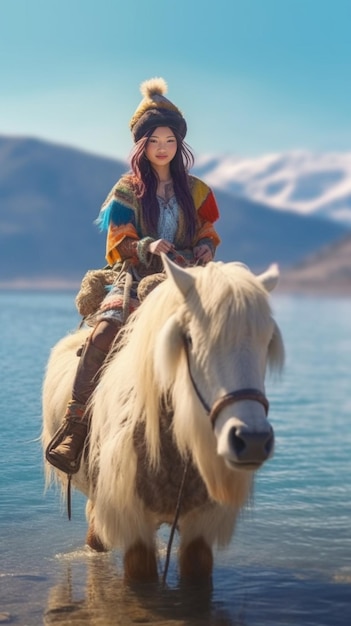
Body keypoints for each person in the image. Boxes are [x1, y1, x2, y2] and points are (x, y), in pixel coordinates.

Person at [46, 77, 221, 475]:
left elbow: (207, 231)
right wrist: (147, 246)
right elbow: (117, 241)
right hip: (134, 277)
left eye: (170, 141)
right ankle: (75, 425)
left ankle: (226, 423)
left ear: (179, 145)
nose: (163, 148)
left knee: (230, 331)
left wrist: (207, 248)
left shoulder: (198, 192)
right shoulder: (127, 189)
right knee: (104, 333)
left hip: (188, 276)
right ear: (142, 146)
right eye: (155, 141)